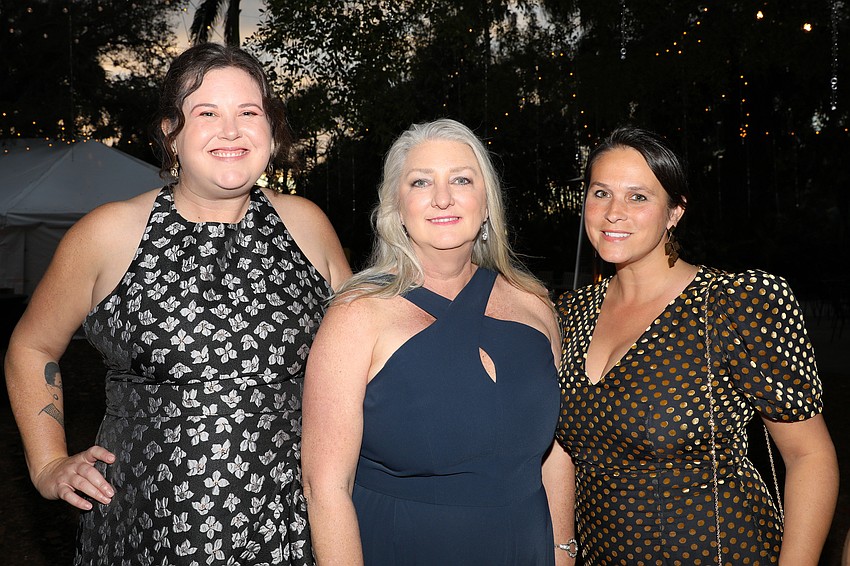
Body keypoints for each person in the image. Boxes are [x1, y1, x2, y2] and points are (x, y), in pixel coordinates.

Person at [4, 43, 351, 565]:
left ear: (271, 132)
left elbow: (360, 351)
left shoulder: (307, 224)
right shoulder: (108, 232)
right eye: (206, 112)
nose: (231, 130)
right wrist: (48, 462)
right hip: (150, 527)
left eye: (248, 113)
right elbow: (32, 346)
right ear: (171, 132)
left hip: (293, 524)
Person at [555, 126, 839, 565]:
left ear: (674, 212)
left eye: (638, 197)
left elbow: (810, 455)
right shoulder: (569, 314)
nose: (614, 212)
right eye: (600, 193)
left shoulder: (734, 304)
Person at [302, 118, 576, 565]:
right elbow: (325, 486)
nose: (443, 198)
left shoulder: (535, 305)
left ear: (486, 202)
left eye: (462, 180)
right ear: (397, 205)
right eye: (421, 182)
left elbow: (555, 451)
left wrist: (563, 551)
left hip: (526, 546)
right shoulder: (355, 316)